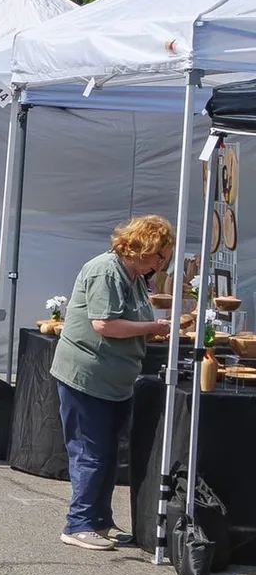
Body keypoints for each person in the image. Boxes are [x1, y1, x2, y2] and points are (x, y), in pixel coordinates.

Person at [50, 214, 174, 550]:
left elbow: (129, 320)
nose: (162, 262)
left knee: (105, 453)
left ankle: (98, 521)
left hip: (113, 379)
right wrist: (153, 328)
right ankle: (79, 524)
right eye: (161, 254)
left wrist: (154, 329)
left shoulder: (132, 275)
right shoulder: (107, 270)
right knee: (91, 452)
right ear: (142, 248)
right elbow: (105, 324)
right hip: (87, 376)